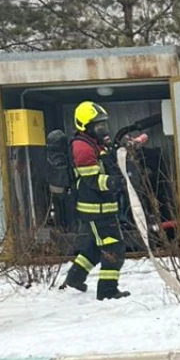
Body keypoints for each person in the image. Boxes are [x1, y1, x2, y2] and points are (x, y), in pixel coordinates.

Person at [62, 101, 130, 300]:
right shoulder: (83, 148)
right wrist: (115, 182)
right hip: (96, 209)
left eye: (104, 125)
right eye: (99, 126)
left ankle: (75, 278)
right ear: (85, 126)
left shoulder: (93, 143)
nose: (104, 129)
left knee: (94, 246)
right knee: (113, 248)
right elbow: (92, 180)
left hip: (102, 207)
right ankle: (108, 291)